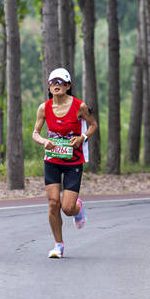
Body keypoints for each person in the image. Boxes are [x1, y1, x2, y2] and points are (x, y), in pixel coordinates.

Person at [30, 67, 98, 258]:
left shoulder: (79, 106)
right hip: (52, 159)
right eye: (53, 82)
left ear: (68, 86)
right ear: (49, 86)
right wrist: (45, 142)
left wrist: (82, 137)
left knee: (67, 208)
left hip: (73, 161)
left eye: (61, 82)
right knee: (53, 203)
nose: (57, 85)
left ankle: (78, 208)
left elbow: (93, 124)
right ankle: (58, 245)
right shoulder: (44, 108)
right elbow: (35, 133)